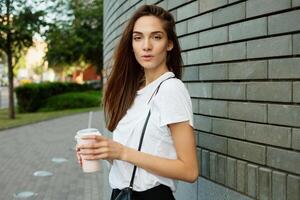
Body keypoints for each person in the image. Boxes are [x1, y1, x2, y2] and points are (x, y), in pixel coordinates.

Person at [77, 4, 199, 200]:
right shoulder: (135, 92)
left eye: (156, 37)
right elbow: (129, 162)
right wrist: (104, 151)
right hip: (121, 195)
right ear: (131, 44)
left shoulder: (171, 89)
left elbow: (189, 170)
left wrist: (123, 152)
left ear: (169, 44)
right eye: (138, 37)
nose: (146, 46)